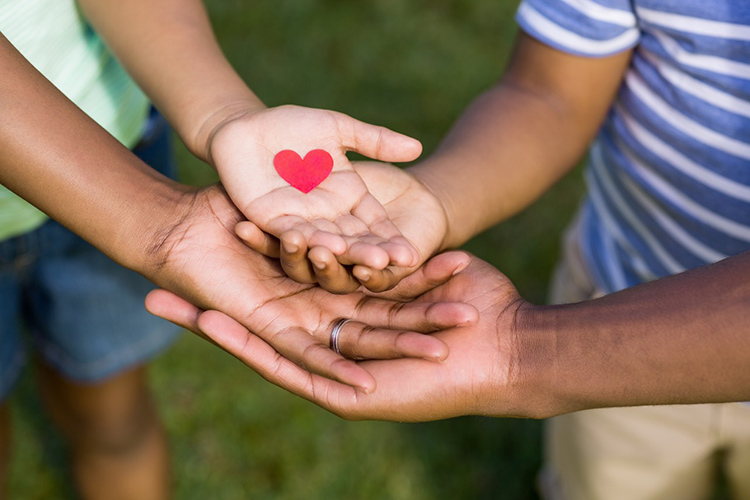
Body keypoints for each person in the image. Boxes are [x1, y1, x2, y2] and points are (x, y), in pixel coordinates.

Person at [155, 1, 750, 499]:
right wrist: (437, 198)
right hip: (618, 305)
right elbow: (550, 96)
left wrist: (524, 358)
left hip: (588, 349)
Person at [0, 1, 471, 497]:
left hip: (112, 139)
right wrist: (158, 225)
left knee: (111, 412)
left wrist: (225, 115)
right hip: (118, 195)